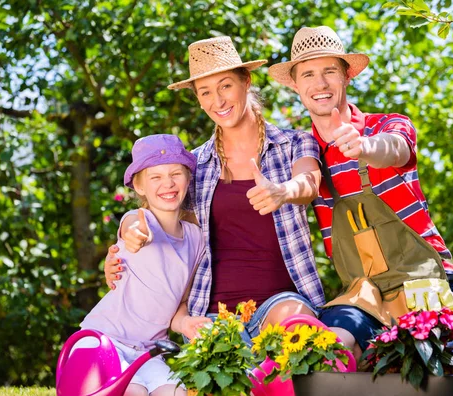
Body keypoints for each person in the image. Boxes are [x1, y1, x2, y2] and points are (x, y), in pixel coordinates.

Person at [267, 26, 453, 396]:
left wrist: (363, 146)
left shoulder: (387, 125)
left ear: (348, 75)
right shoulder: (304, 151)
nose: (320, 83)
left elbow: (394, 149)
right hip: (362, 296)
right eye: (308, 74)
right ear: (295, 85)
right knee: (324, 358)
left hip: (423, 283)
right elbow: (301, 184)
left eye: (329, 70)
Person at [104, 36, 325, 345]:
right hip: (212, 314)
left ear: (245, 81)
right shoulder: (196, 165)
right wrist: (124, 237)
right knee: (220, 387)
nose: (217, 101)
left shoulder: (294, 144)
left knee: (302, 332)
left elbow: (309, 183)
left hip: (282, 301)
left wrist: (283, 191)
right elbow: (158, 219)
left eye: (225, 86)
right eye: (205, 92)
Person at [73, 134, 206, 396]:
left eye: (175, 174)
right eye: (155, 177)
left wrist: (186, 324)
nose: (167, 183)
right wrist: (134, 235)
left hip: (149, 352)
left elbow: (177, 304)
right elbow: (132, 228)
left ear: (188, 179)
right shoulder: (137, 219)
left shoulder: (196, 238)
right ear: (139, 185)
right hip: (105, 340)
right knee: (133, 395)